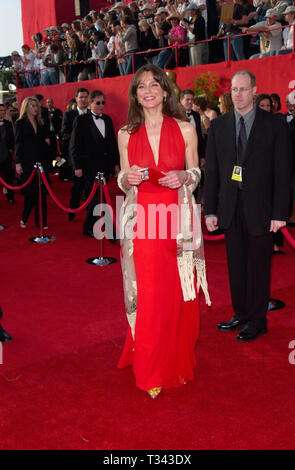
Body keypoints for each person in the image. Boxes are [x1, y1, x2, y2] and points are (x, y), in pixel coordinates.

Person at [117, 64, 210, 398]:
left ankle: (171, 356)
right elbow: (123, 178)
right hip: (143, 222)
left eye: (154, 84)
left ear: (166, 90)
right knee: (151, 294)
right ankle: (151, 366)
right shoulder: (126, 133)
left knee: (175, 294)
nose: (148, 90)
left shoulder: (185, 128)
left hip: (176, 221)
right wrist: (123, 179)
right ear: (135, 94)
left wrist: (186, 177)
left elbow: (197, 169)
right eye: (141, 86)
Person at [204, 70, 291, 342]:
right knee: (236, 266)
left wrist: (280, 213)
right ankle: (240, 313)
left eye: (243, 89)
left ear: (254, 90)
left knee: (258, 267)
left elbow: (283, 172)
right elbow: (213, 173)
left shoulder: (274, 125)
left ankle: (257, 320)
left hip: (262, 210)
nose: (238, 94)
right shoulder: (219, 126)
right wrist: (210, 210)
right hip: (230, 208)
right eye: (234, 90)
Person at [70, 89, 120, 236]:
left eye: (103, 103)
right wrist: (77, 166)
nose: (100, 105)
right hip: (88, 166)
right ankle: (96, 227)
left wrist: (116, 164)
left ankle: (94, 227)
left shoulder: (108, 119)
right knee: (97, 197)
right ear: (90, 103)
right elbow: (75, 145)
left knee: (102, 197)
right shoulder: (81, 120)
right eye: (97, 102)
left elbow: (112, 144)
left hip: (105, 165)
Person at [15, 97, 50, 229]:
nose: (35, 108)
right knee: (31, 193)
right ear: (26, 107)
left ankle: (41, 222)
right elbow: (18, 144)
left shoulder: (40, 122)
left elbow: (43, 144)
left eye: (36, 106)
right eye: (32, 106)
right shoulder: (20, 123)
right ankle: (25, 216)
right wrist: (18, 163)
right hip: (27, 162)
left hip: (40, 162)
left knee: (41, 193)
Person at [0, 104, 15, 204]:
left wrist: (11, 149)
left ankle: (10, 197)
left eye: (3, 110)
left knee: (8, 176)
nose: (2, 112)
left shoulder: (8, 124)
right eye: (0, 110)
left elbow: (12, 138)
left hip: (6, 154)